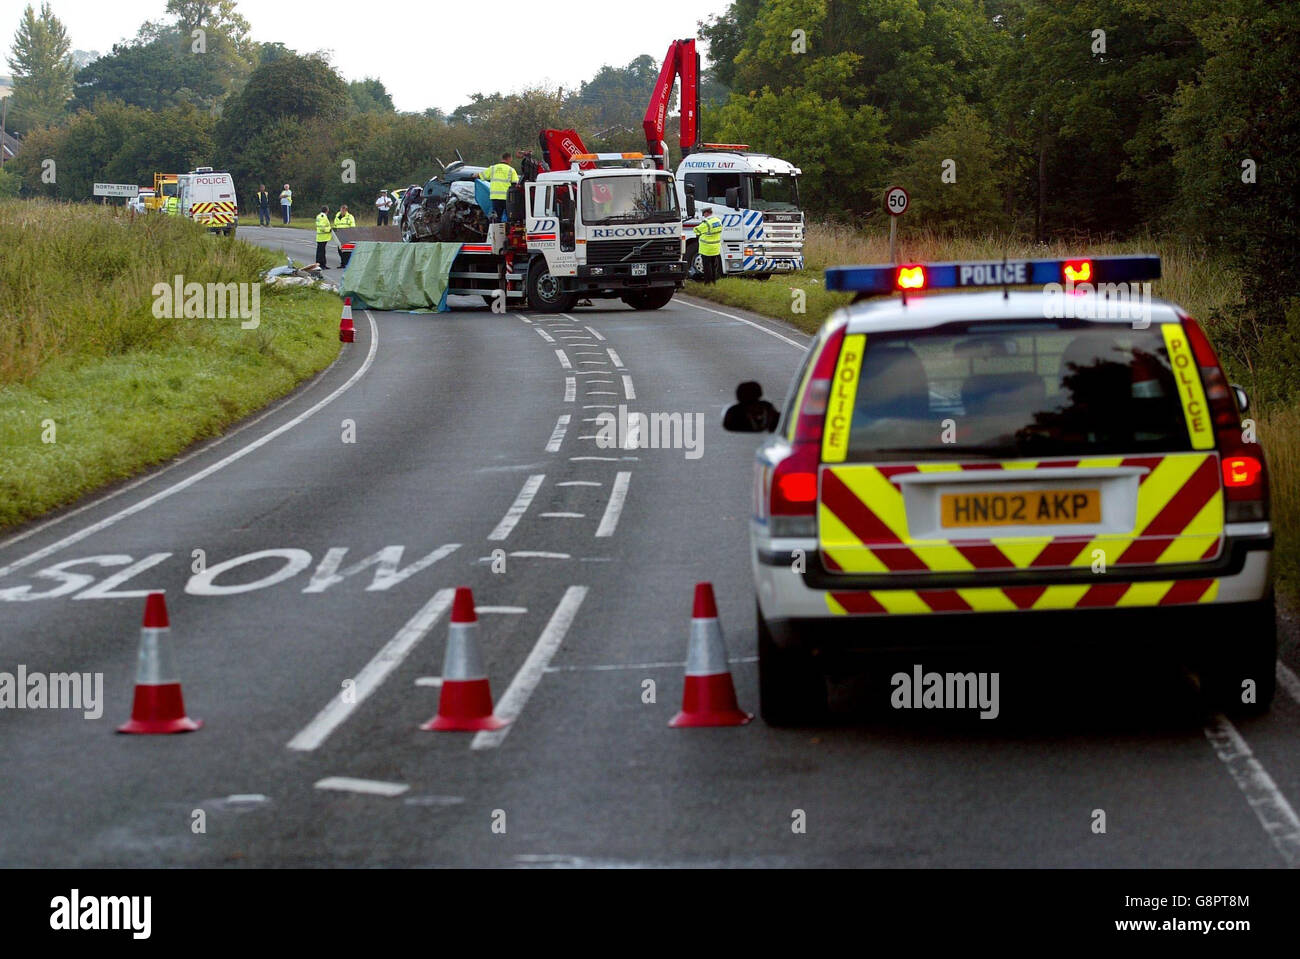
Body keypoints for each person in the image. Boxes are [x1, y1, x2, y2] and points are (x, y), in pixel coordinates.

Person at [478, 152, 519, 223]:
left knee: (497, 218)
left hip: (495, 197)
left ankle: (497, 232)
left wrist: (472, 175)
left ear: (502, 158)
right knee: (510, 217)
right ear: (509, 158)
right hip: (507, 198)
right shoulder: (511, 170)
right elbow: (515, 184)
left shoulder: (493, 168)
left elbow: (480, 175)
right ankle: (508, 231)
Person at [694, 206, 723, 284]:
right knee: (714, 266)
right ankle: (714, 282)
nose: (704, 216)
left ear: (706, 213)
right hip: (715, 248)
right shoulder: (718, 221)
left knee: (707, 267)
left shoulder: (706, 223)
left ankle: (707, 282)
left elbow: (696, 230)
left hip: (706, 249)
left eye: (704, 214)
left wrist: (699, 233)